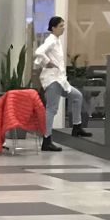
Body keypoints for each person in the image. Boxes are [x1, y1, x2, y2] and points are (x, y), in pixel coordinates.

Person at [34, 15, 90, 151]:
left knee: (77, 96)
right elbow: (38, 52)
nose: (63, 28)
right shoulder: (51, 40)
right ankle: (47, 140)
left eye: (63, 26)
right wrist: (48, 62)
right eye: (60, 26)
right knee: (51, 109)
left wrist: (48, 62)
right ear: (53, 28)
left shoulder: (56, 41)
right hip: (53, 80)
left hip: (60, 80)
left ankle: (76, 127)